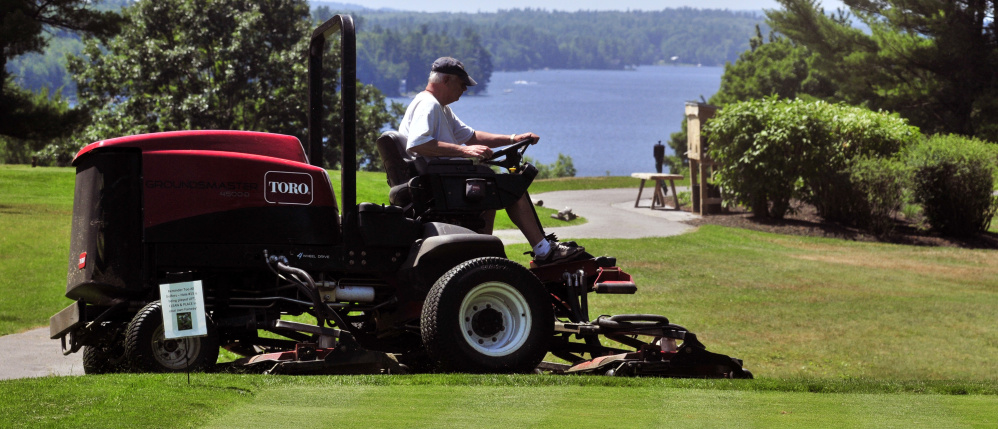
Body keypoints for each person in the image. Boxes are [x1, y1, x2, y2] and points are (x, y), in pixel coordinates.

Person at [398, 57, 584, 265]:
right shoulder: (428, 105)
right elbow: (417, 143)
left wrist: (513, 139)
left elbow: (471, 136)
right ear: (447, 80)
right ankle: (543, 250)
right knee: (509, 189)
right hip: (441, 184)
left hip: (443, 180)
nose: (465, 90)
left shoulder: (440, 108)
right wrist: (464, 151)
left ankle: (481, 250)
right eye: (462, 84)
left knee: (491, 191)